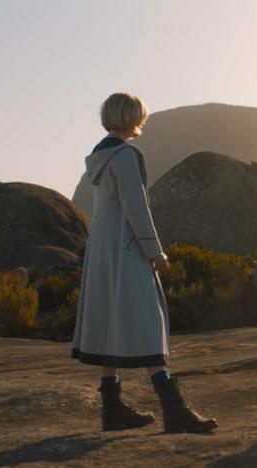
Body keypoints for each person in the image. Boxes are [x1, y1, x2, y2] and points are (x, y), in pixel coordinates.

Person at [71, 92, 218, 433]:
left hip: (102, 249)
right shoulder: (125, 156)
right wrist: (155, 252)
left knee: (110, 323)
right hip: (126, 247)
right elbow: (136, 207)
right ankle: (174, 411)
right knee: (149, 322)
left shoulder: (99, 156)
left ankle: (112, 410)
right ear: (134, 118)